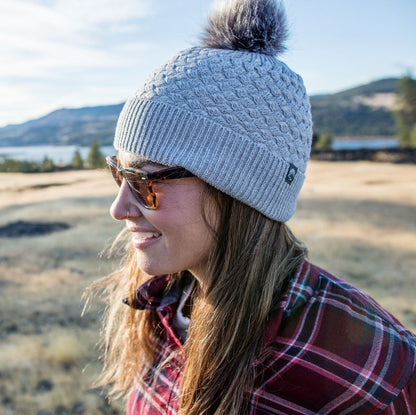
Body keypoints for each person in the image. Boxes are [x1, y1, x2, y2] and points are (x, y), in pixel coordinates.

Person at [93, 0, 416, 413]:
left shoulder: (372, 374)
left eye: (144, 180)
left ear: (238, 188)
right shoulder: (158, 305)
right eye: (120, 174)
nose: (118, 209)